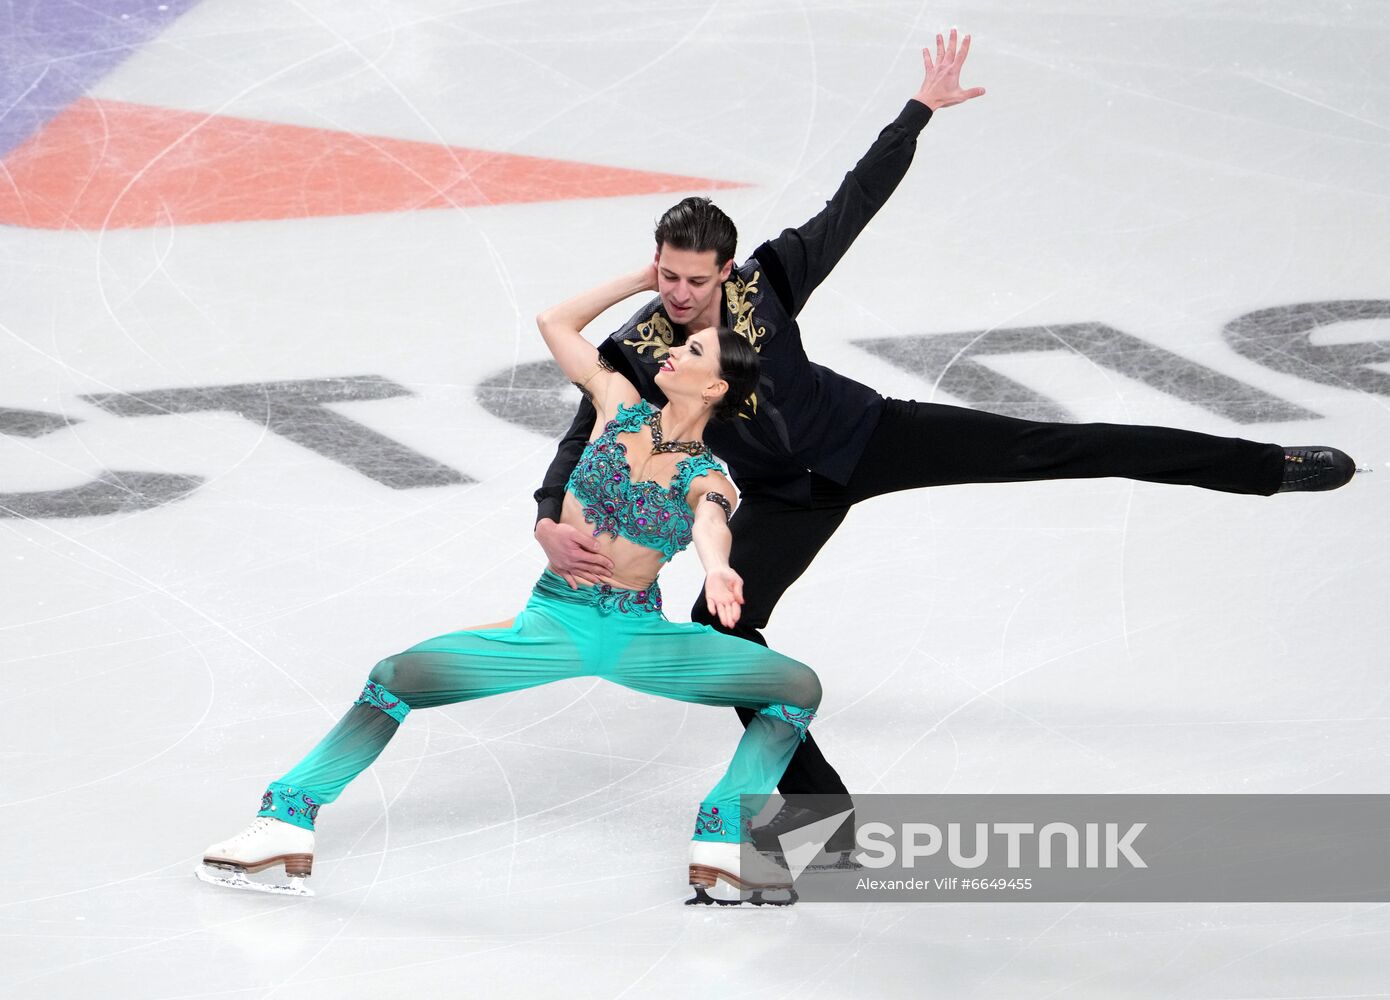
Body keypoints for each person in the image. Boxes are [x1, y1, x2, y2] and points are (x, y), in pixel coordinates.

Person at [531, 31, 1357, 856]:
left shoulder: (771, 280)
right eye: (666, 275)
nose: (678, 294)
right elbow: (583, 432)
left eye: (695, 278)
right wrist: (547, 516)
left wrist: (918, 110)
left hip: (872, 435)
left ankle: (1267, 467)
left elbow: (854, 200)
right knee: (720, 633)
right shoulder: (644, 352)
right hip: (785, 497)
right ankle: (827, 822)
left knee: (1051, 444)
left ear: (726, 268)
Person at [198, 267, 822, 906]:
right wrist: (642, 280)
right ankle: (286, 821)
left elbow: (711, 518)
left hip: (640, 635)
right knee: (396, 677)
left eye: (691, 349)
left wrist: (717, 567)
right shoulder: (616, 405)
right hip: (553, 622)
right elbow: (556, 322)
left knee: (797, 688)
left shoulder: (707, 471)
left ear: (715, 384)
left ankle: (722, 834)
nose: (670, 349)